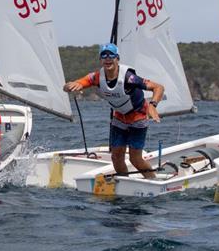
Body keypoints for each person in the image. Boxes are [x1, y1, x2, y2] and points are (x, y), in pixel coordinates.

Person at [63, 43, 164, 178]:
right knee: (116, 157)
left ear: (117, 58)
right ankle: (124, 182)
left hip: (138, 118)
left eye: (111, 55)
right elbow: (71, 86)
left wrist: (152, 105)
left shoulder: (129, 77)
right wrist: (69, 86)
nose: (108, 58)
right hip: (119, 118)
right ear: (101, 60)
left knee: (135, 159)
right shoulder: (97, 77)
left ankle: (153, 180)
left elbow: (158, 87)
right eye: (104, 55)